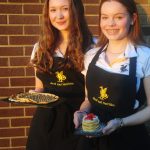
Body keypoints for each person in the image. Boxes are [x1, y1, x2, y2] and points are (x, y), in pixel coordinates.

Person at [74, 0, 150, 150]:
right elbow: (89, 99)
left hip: (128, 139)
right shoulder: (91, 55)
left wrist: (120, 122)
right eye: (105, 17)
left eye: (118, 17)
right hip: (92, 138)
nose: (110, 23)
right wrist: (82, 112)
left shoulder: (145, 56)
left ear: (133, 19)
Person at [26, 0, 94, 150]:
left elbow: (90, 97)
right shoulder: (40, 48)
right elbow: (40, 88)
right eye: (53, 10)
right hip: (45, 123)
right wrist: (34, 95)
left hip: (77, 121)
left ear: (76, 11)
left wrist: (82, 113)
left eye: (65, 9)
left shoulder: (92, 48)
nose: (59, 15)